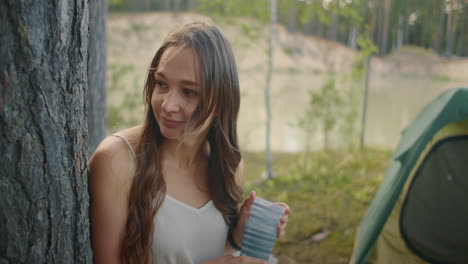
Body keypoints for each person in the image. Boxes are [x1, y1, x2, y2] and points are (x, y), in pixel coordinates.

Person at [89, 21, 290, 264]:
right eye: (162, 84)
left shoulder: (229, 166)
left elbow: (196, 254)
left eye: (189, 92)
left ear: (220, 99)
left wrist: (236, 239)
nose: (167, 105)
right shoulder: (116, 160)